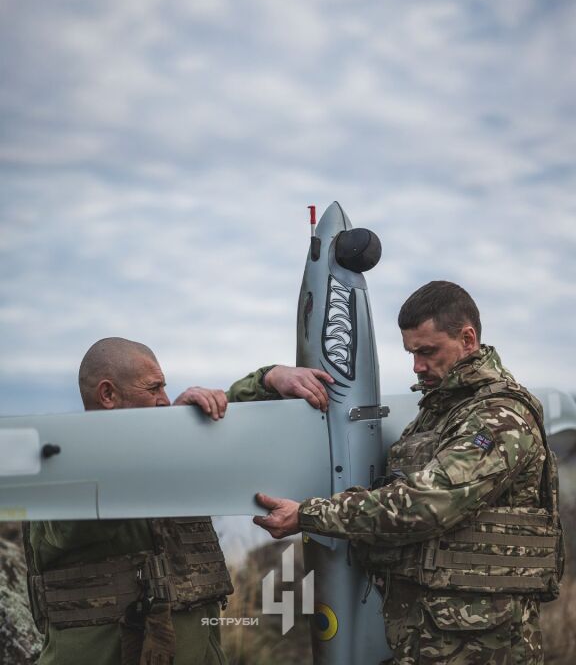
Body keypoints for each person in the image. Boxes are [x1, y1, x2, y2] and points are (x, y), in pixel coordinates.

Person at [254, 281, 564, 665]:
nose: (417, 366)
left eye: (427, 351)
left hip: (481, 643)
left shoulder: (499, 415)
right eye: (411, 353)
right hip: (428, 632)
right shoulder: (439, 411)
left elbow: (428, 503)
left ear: (468, 339)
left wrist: (308, 514)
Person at [23, 336, 332, 665]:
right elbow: (86, 514)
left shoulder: (167, 451)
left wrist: (266, 381)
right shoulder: (59, 467)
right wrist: (168, 434)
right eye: (153, 388)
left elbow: (225, 425)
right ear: (108, 394)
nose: (165, 400)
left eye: (164, 387)